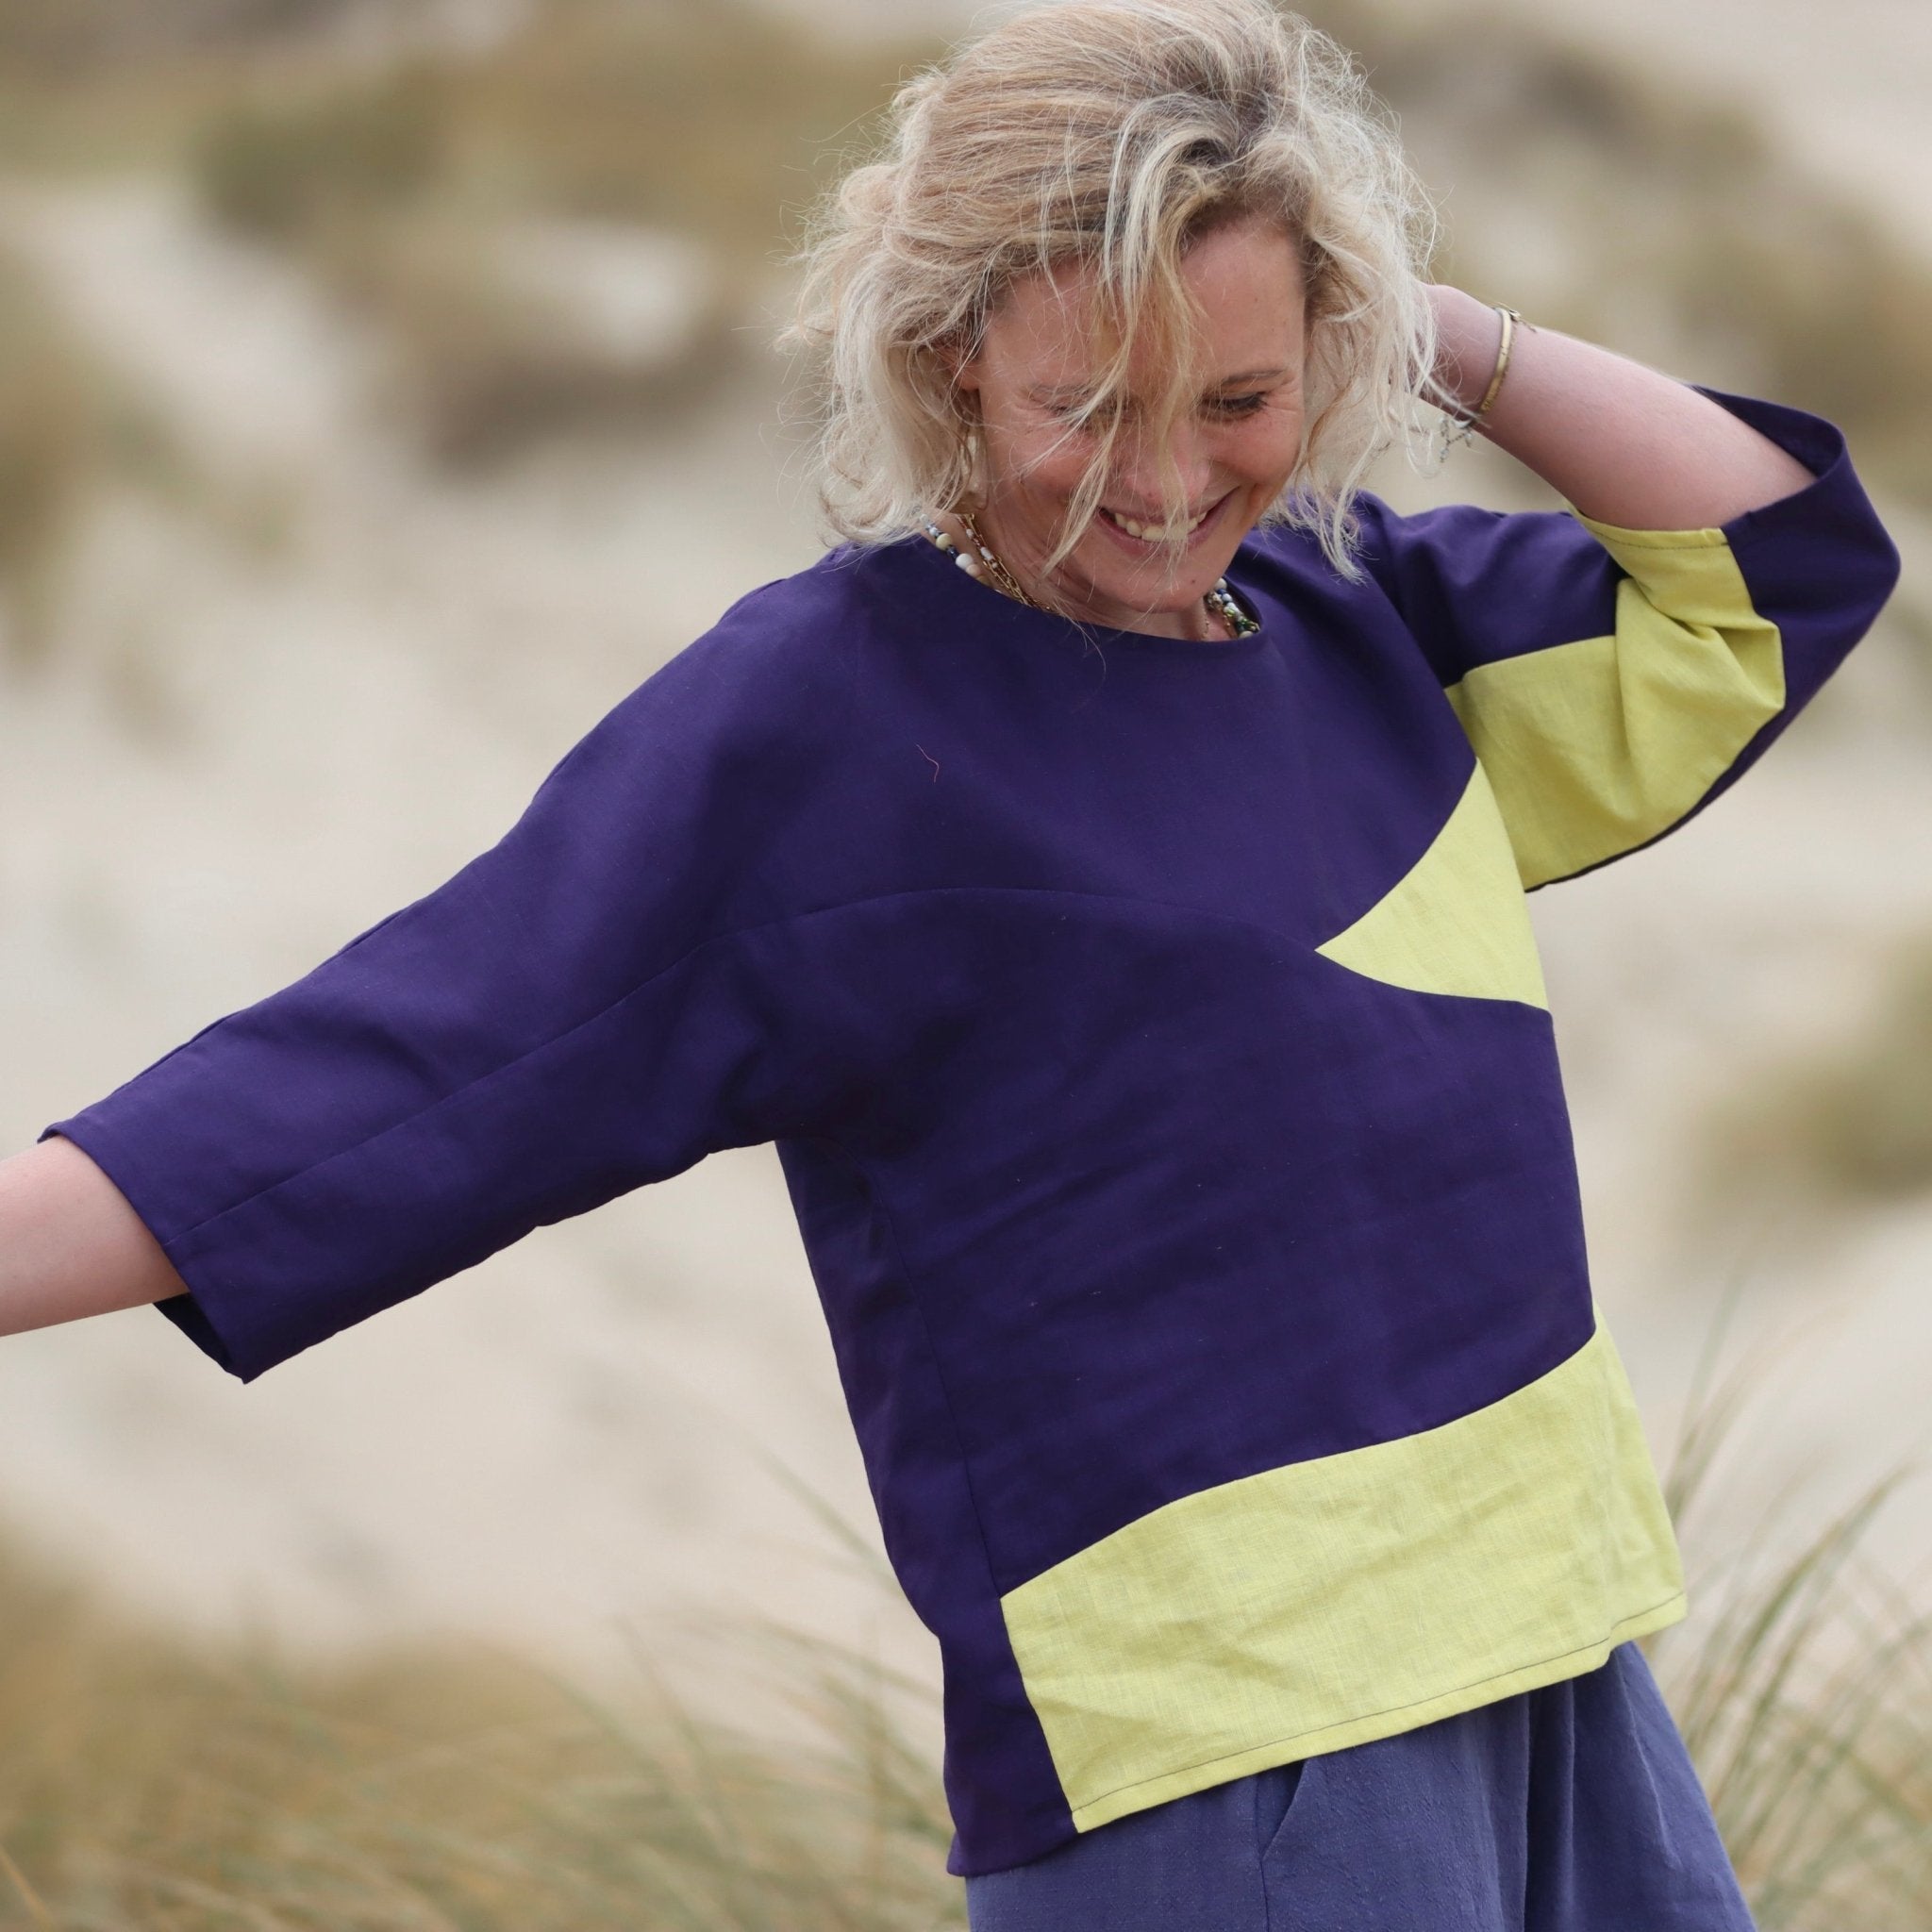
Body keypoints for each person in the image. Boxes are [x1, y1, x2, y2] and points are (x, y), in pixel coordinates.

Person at [0, 0, 1903, 1924]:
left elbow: (1778, 569)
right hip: (1235, 1753)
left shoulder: (1364, 615)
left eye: (1238, 398)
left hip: (1562, 1659)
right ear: (950, 358)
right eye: (1089, 406)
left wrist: (1425, 322)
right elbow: (420, 1056)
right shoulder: (831, 716)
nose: (1165, 482)